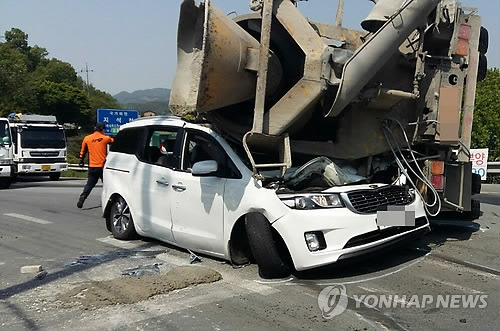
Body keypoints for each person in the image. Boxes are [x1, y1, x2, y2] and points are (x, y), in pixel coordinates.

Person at [77, 122, 114, 208]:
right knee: (107, 185)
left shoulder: (87, 138)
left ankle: (83, 197)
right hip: (102, 166)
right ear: (102, 129)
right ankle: (107, 202)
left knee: (90, 184)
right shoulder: (105, 138)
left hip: (92, 166)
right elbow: (114, 141)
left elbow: (83, 151)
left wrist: (81, 160)